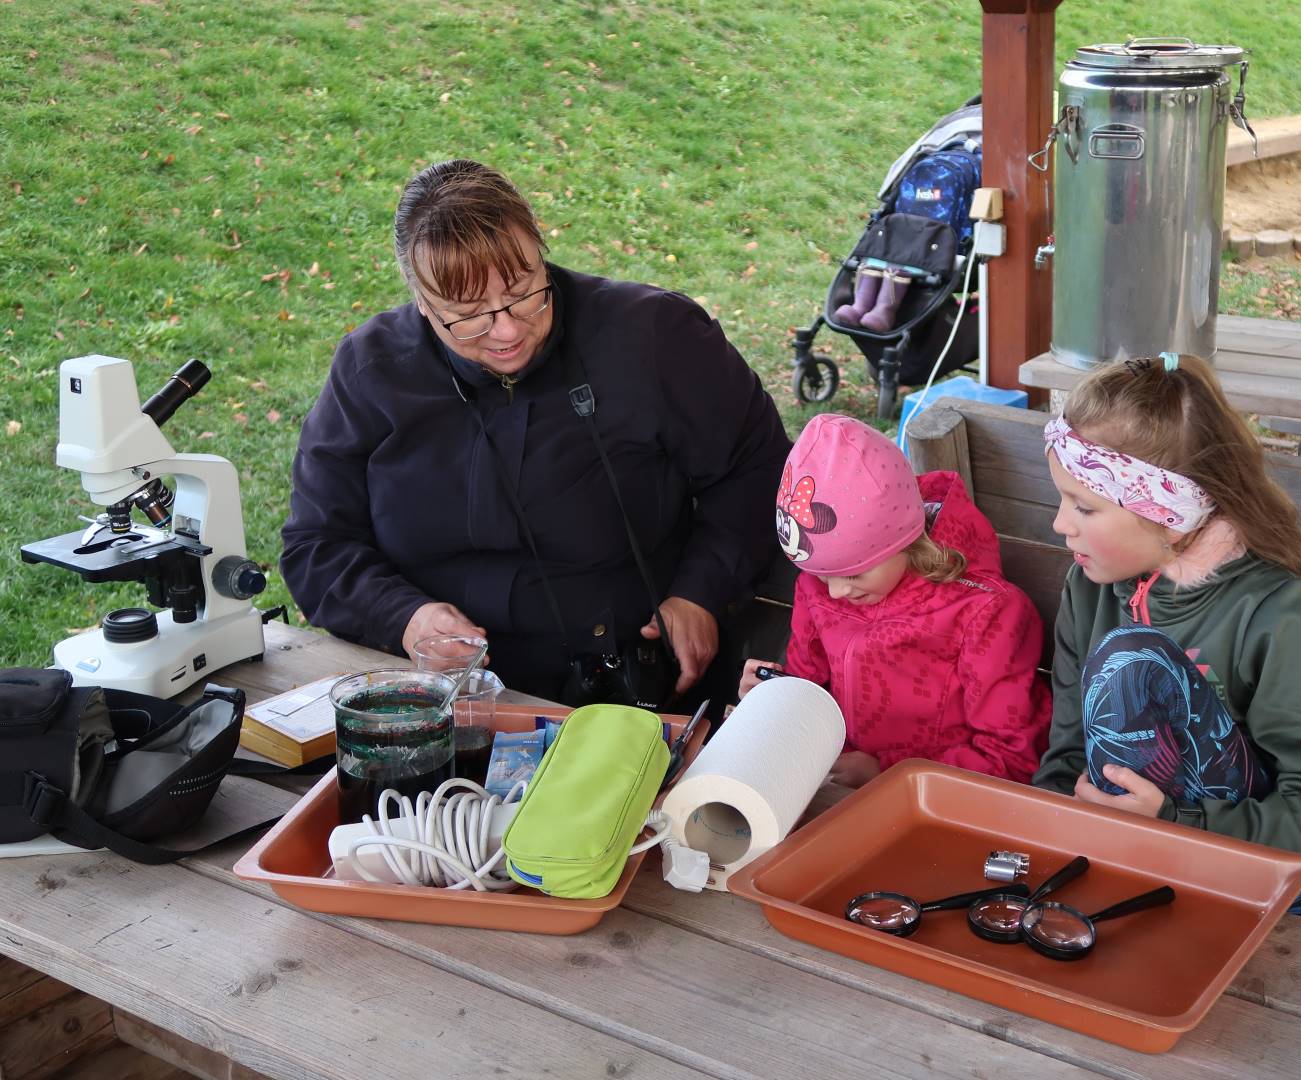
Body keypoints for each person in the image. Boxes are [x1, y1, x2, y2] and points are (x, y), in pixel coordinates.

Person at [281, 159, 791, 706]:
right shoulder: (370, 372)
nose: (506, 329)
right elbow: (317, 544)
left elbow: (759, 466)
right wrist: (404, 618)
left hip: (635, 688)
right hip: (444, 696)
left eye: (523, 291)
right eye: (468, 315)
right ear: (424, 306)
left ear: (540, 253)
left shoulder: (655, 334)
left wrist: (700, 593)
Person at [1033, 351, 1301, 927]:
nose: (1060, 523)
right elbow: (1071, 750)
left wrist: (1176, 825)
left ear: (1169, 514)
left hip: (1265, 885)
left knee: (1130, 660)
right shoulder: (1090, 589)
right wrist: (1051, 828)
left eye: (1084, 507)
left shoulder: (1278, 617)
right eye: (1061, 498)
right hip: (1129, 854)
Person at [740, 413, 1050, 787]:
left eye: (854, 573)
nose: (835, 592)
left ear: (905, 541)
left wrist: (886, 774)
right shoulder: (817, 588)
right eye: (822, 575)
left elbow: (1010, 758)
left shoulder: (984, 615)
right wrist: (775, 699)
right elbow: (809, 689)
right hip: (832, 788)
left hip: (938, 803)